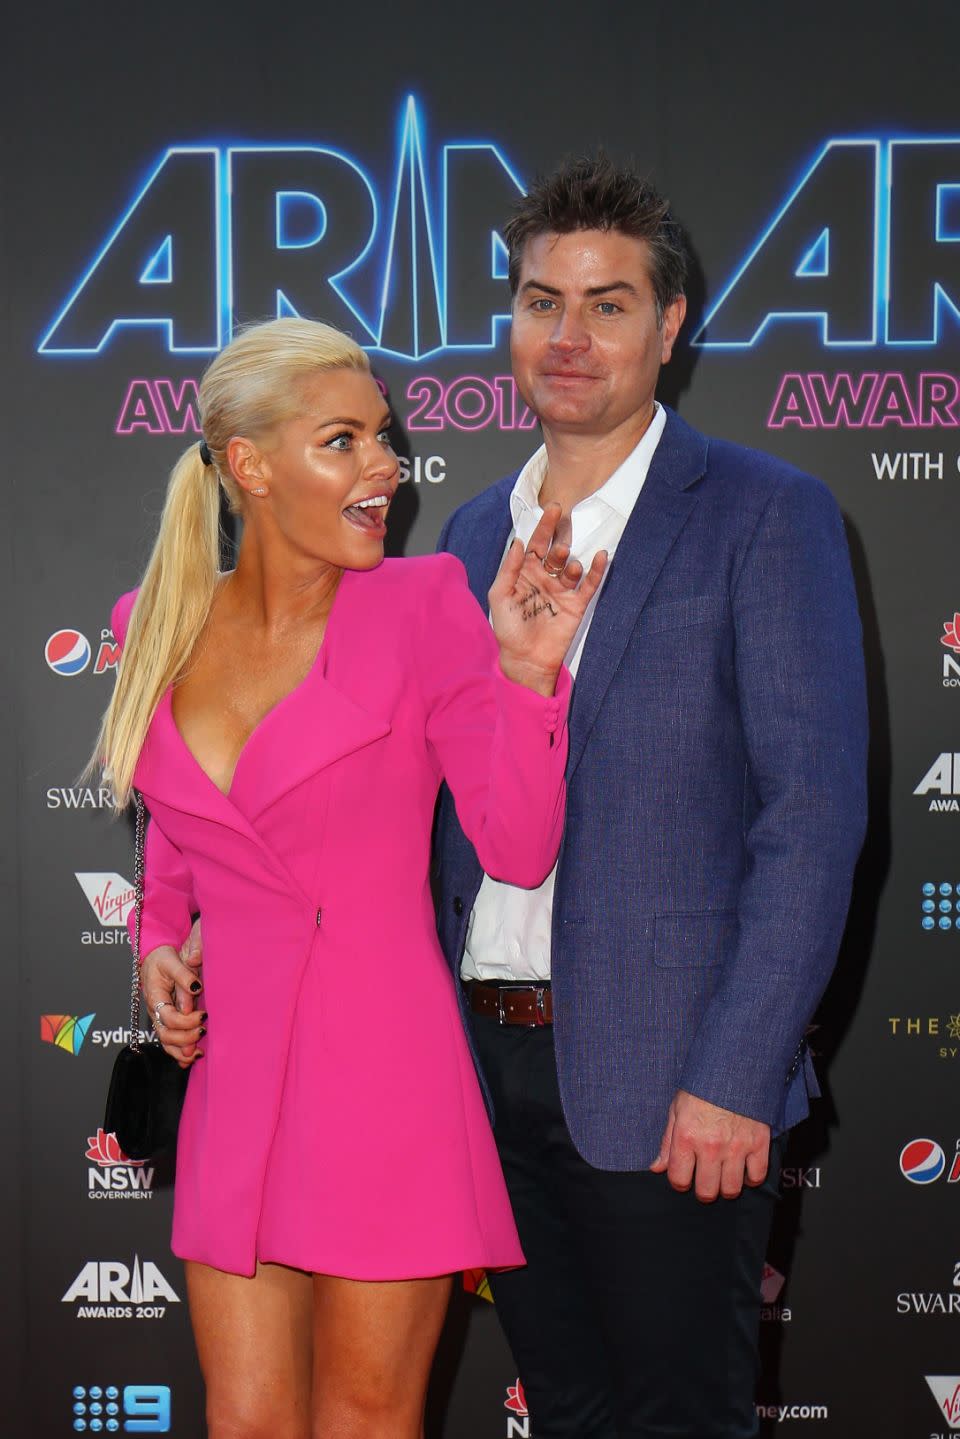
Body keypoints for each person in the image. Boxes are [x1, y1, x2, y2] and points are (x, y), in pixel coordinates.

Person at [92, 317, 607, 1439]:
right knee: (247, 1420)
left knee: (366, 1419)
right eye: (344, 441)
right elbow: (180, 839)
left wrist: (525, 673)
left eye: (383, 437)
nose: (387, 468)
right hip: (237, 1086)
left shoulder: (421, 605)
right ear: (251, 464)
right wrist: (160, 946)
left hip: (385, 1077)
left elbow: (517, 846)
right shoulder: (156, 628)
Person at [433, 158, 869, 1438]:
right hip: (488, 1067)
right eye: (540, 301)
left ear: (670, 327)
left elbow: (810, 820)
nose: (567, 338)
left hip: (673, 1082)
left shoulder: (762, 515)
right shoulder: (463, 536)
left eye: (608, 304)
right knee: (567, 1410)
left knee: (682, 1418)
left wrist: (737, 1072)